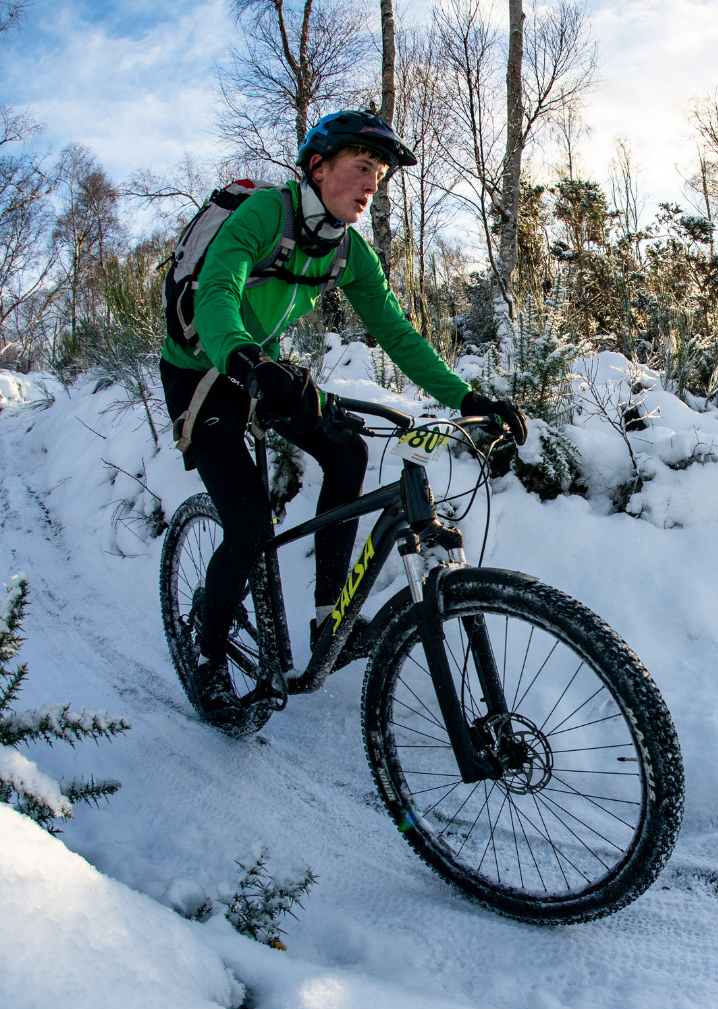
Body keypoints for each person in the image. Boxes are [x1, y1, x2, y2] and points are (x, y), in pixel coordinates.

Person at [160, 109, 527, 730]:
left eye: (379, 177)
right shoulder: (262, 216)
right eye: (361, 168)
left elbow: (398, 334)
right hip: (202, 371)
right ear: (317, 166)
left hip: (261, 366)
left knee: (348, 451)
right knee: (247, 526)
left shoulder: (348, 251)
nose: (370, 186)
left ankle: (331, 612)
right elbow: (217, 293)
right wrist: (246, 360)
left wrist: (467, 397)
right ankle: (208, 653)